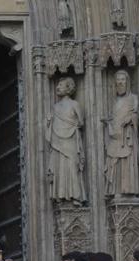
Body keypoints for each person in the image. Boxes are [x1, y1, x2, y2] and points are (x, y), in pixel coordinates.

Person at [46, 77, 86, 205]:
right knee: (59, 167)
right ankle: (61, 195)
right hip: (57, 141)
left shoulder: (75, 104)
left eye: (61, 85)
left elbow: (81, 122)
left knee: (71, 166)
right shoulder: (55, 107)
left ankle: (75, 196)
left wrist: (72, 125)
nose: (57, 87)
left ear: (69, 88)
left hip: (71, 140)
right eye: (57, 84)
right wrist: (49, 122)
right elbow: (50, 125)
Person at [104, 70, 139, 199]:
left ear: (128, 82)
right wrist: (108, 121)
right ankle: (118, 190)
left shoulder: (133, 98)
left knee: (127, 162)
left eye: (122, 80)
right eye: (118, 80)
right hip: (116, 137)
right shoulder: (114, 101)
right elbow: (114, 118)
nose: (120, 82)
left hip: (127, 137)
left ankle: (129, 191)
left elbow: (136, 114)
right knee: (116, 163)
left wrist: (130, 119)